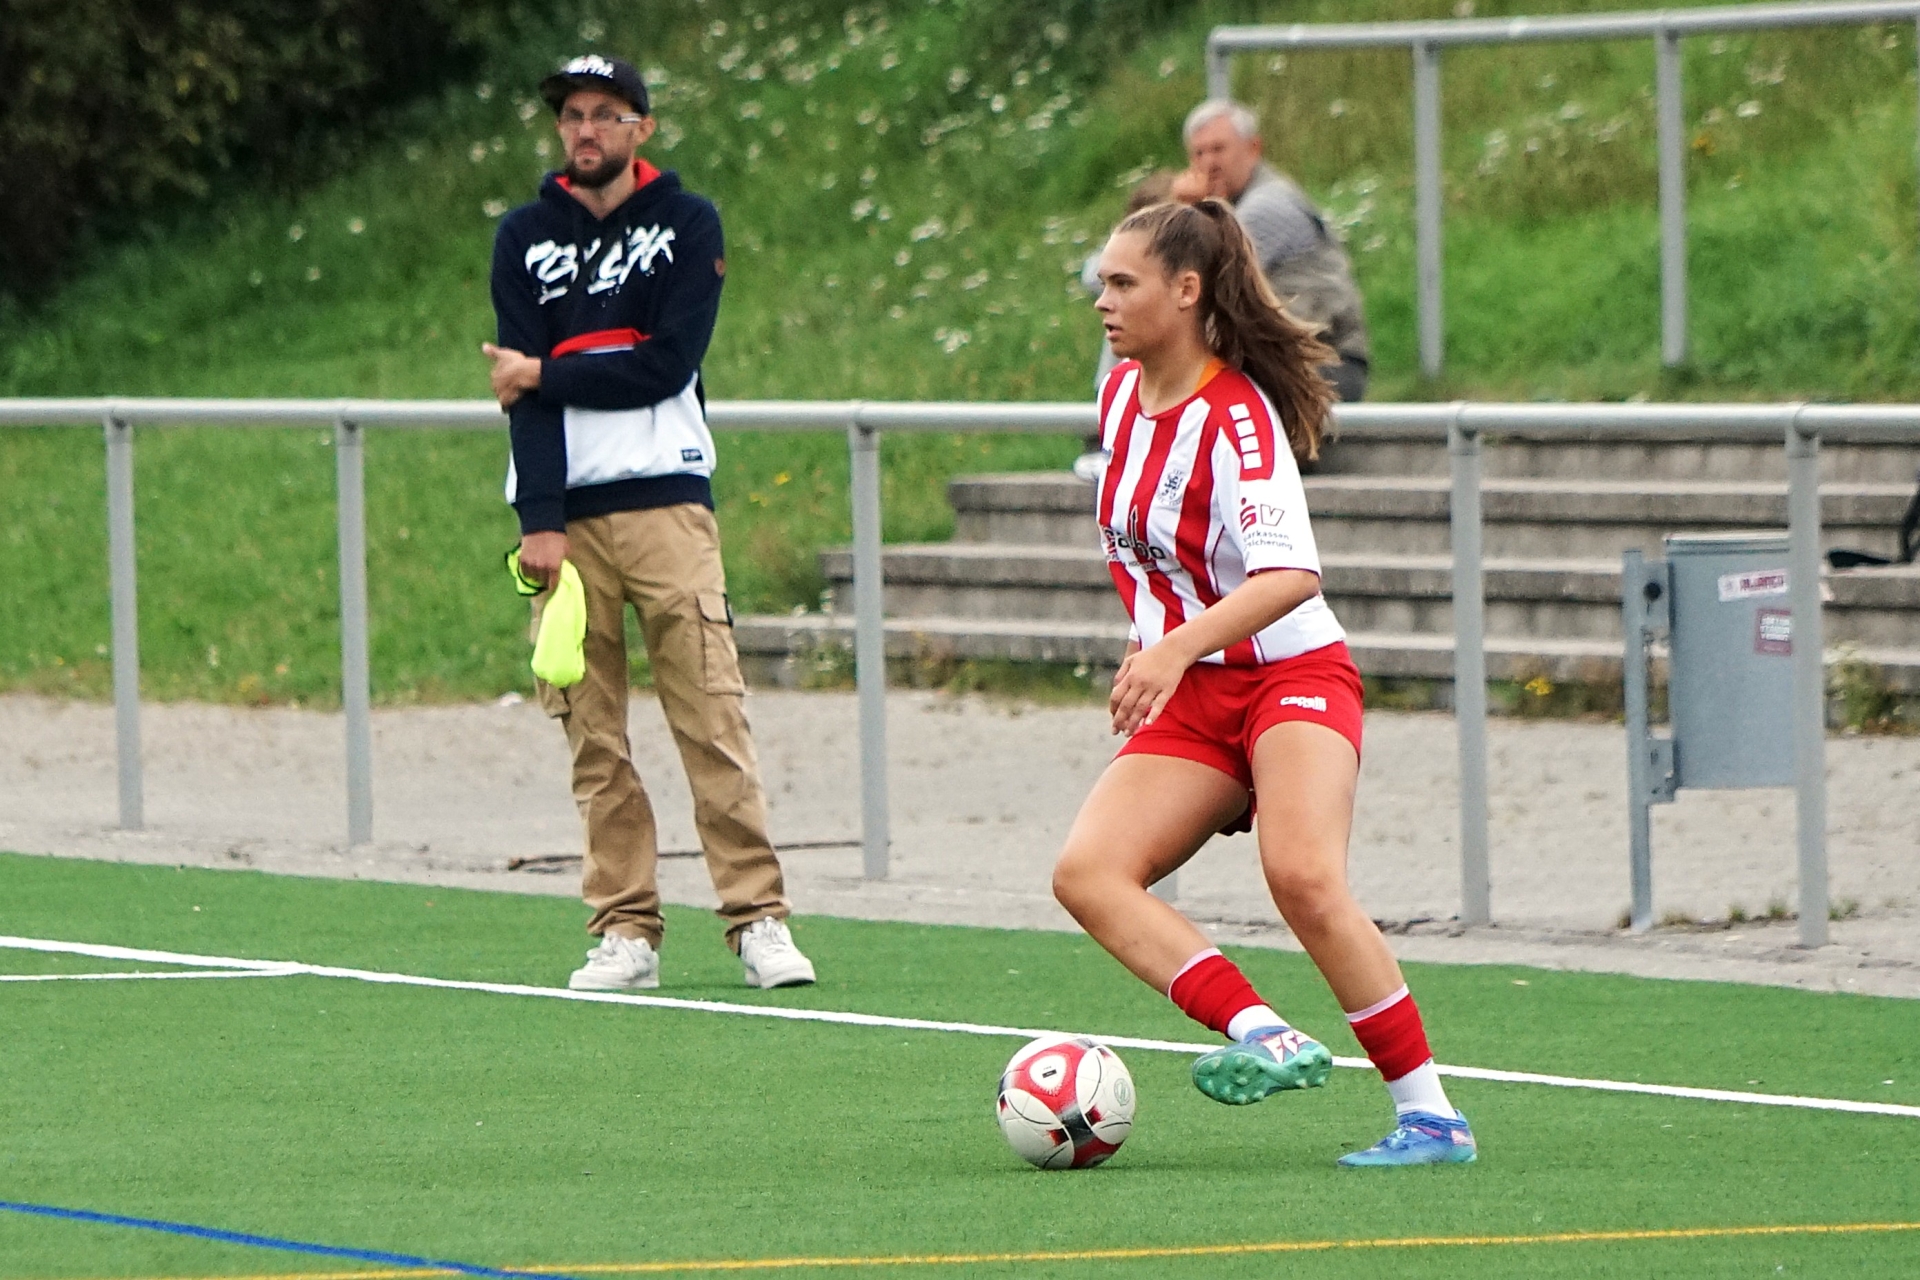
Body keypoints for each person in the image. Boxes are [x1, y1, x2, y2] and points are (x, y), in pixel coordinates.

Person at [1053, 198, 1474, 1167]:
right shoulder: (1119, 398)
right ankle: (1265, 1033)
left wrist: (1170, 648)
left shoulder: (1238, 417)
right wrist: (1153, 644)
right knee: (1087, 872)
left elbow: (1290, 576)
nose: (1102, 302)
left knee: (1303, 875)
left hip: (1291, 676)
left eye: (1121, 283)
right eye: (1102, 283)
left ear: (1186, 291)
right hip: (1195, 692)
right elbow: (1153, 552)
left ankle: (1432, 1116)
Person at [482, 54, 815, 993]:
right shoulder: (523, 238)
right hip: (567, 523)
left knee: (710, 715)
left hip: (668, 503)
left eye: (605, 114)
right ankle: (625, 929)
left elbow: (666, 365)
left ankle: (757, 918)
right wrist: (539, 518)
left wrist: (545, 370)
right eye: (572, 116)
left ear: (642, 128)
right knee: (592, 735)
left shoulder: (687, 223)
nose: (585, 130)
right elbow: (520, 397)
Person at [1173, 100, 1371, 404]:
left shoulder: (1266, 207)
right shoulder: (1234, 206)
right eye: (1199, 153)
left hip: (1325, 366)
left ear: (1253, 148)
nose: (1208, 163)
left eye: (1218, 149)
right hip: (1285, 362)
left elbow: (1197, 281)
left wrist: (1186, 211)